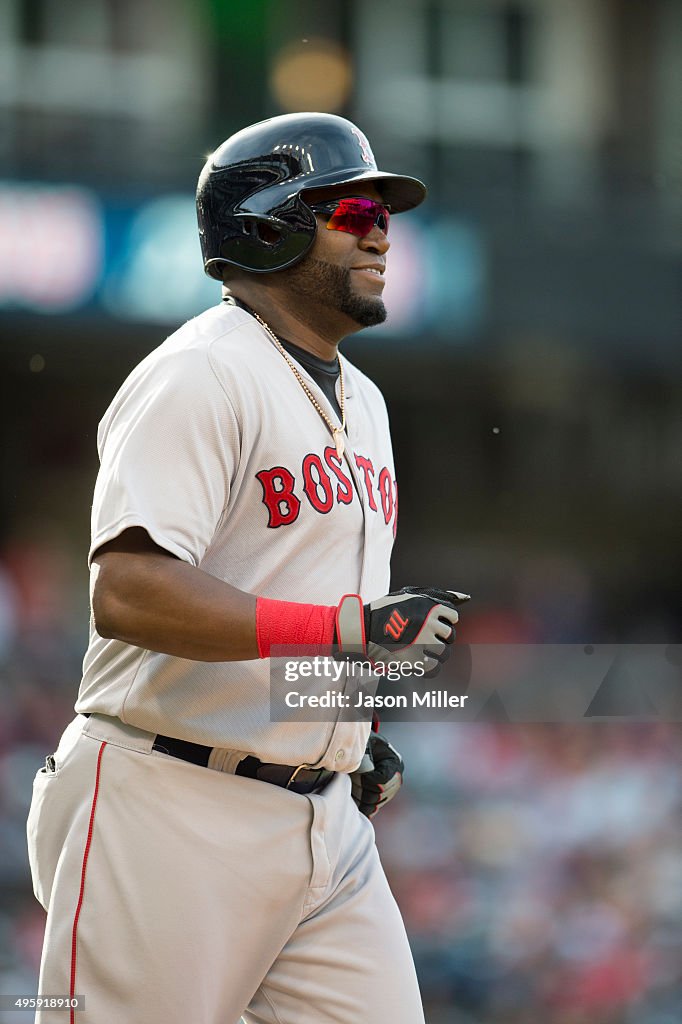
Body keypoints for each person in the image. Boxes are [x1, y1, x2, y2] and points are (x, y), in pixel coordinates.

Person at [26, 112, 467, 1024]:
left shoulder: (369, 403)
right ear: (272, 225)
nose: (381, 227)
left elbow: (305, 591)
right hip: (168, 803)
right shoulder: (200, 373)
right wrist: (346, 632)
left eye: (385, 210)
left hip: (323, 825)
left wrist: (344, 730)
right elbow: (130, 590)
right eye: (353, 207)